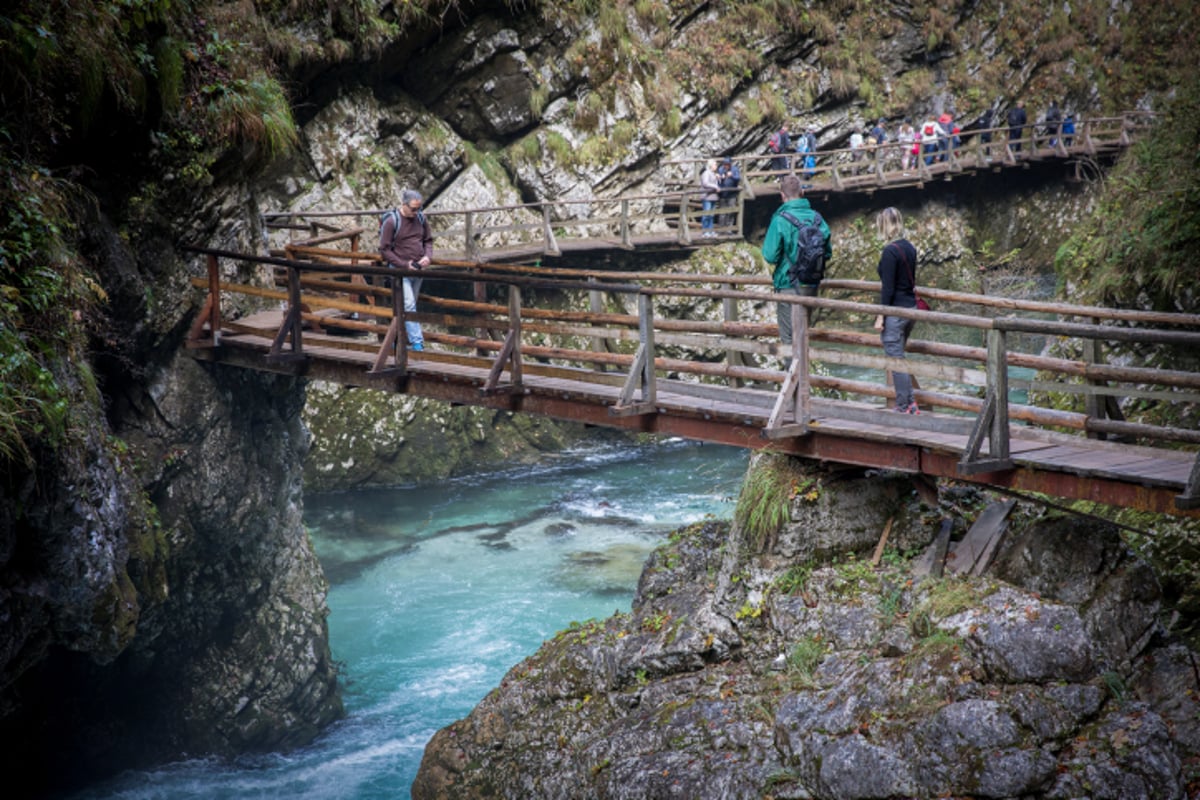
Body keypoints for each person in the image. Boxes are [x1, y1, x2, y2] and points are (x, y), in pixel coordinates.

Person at [761, 174, 832, 367]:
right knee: (803, 337)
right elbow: (827, 253)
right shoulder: (817, 219)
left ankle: (794, 392)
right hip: (811, 286)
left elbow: (769, 255)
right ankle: (802, 388)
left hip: (788, 287)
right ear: (802, 192)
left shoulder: (780, 220)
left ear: (782, 196)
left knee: (789, 341)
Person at [872, 207, 920, 414]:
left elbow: (888, 288)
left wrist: (880, 316)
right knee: (898, 356)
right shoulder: (910, 247)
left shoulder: (890, 251)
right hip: (911, 309)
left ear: (884, 225)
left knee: (895, 359)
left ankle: (904, 405)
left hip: (896, 311)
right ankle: (910, 403)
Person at [379, 189, 433, 351]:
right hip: (400, 271)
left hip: (418, 269)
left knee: (407, 306)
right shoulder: (392, 222)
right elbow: (384, 249)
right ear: (404, 204)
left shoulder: (421, 218)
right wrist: (403, 265)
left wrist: (427, 257)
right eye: (413, 209)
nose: (416, 212)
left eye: (419, 208)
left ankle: (397, 340)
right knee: (409, 305)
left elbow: (428, 240)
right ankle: (418, 344)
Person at [716, 157, 741, 232]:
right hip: (723, 194)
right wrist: (721, 178)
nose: (726, 166)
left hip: (732, 194)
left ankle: (729, 229)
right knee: (722, 212)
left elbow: (738, 178)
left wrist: (732, 176)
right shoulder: (721, 169)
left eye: (727, 164)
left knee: (731, 211)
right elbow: (718, 181)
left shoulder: (735, 169)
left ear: (730, 164)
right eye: (724, 164)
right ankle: (721, 228)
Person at [699, 159, 720, 237]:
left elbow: (716, 183)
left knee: (711, 215)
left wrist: (718, 178)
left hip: (713, 197)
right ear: (711, 165)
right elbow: (705, 183)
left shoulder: (713, 174)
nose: (716, 166)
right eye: (715, 165)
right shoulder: (706, 173)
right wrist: (715, 187)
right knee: (706, 214)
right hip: (707, 196)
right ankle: (705, 231)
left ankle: (710, 231)